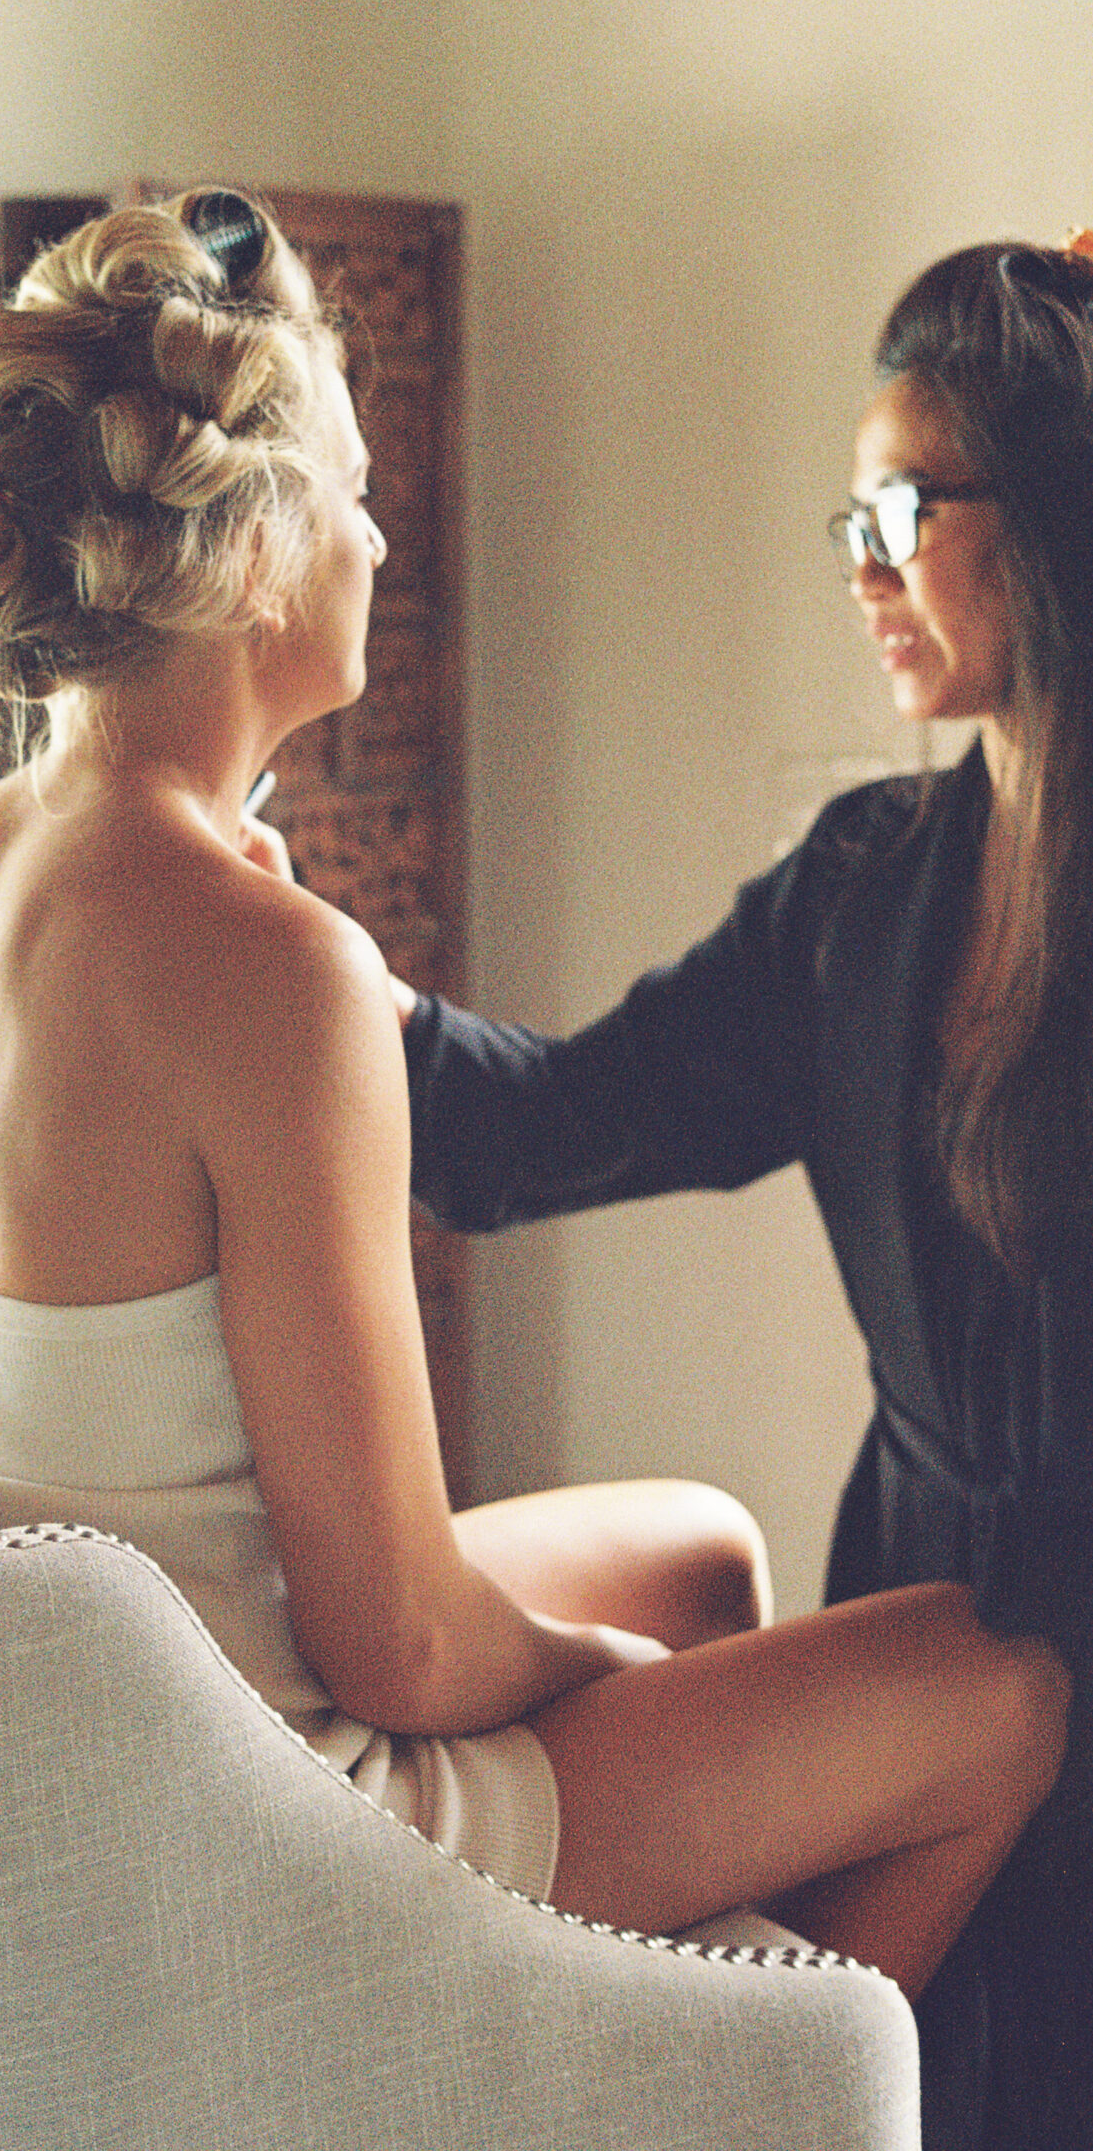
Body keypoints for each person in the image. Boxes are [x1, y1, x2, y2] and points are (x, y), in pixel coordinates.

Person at [0, 191, 1067, 2021]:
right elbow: (396, 1641)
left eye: (902, 512)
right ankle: (736, 2091)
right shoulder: (852, 891)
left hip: (67, 1737)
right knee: (1000, 1697)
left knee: (708, 1556)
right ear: (253, 555)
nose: (383, 529)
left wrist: (312, 978)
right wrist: (586, 1669)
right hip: (253, 1782)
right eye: (348, 489)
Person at [394, 231, 1093, 2147]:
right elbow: (522, 1131)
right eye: (847, 513)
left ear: (1045, 515)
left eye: (900, 502)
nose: (860, 562)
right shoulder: (858, 893)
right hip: (922, 1660)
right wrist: (286, 971)